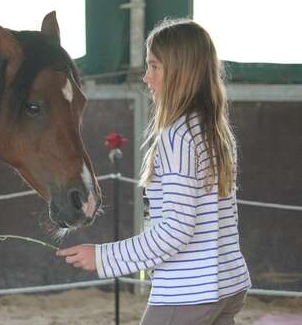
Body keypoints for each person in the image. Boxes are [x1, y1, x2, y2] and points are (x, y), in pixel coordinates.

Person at [56, 18, 251, 325]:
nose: (146, 77)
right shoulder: (215, 132)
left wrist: (104, 257)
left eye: (154, 66)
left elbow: (176, 230)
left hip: (188, 293)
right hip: (227, 286)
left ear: (180, 72)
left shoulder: (178, 136)